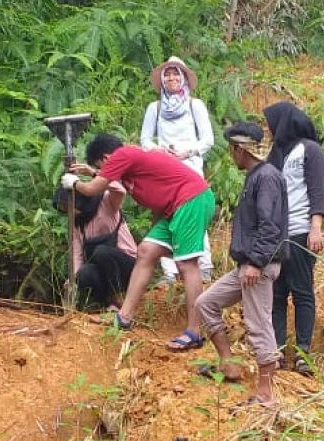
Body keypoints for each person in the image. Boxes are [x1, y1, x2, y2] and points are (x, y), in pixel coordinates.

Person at [62, 133, 216, 351]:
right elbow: (118, 181)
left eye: (101, 167)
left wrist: (76, 182)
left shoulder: (123, 154)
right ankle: (124, 317)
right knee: (146, 250)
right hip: (174, 209)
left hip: (191, 200)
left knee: (186, 265)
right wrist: (95, 172)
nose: (104, 171)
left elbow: (93, 188)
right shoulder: (130, 165)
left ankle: (194, 332)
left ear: (106, 158)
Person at [194, 122, 288, 407]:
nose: (231, 155)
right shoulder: (256, 175)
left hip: (257, 265)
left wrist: (256, 262)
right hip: (248, 264)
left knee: (258, 323)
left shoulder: (266, 178)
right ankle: (228, 363)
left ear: (239, 149)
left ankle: (266, 392)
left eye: (232, 149)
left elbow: (269, 226)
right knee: (205, 303)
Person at [263, 101, 324, 376]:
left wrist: (316, 227)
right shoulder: (275, 153)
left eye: (271, 123)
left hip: (301, 230)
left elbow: (316, 189)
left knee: (302, 292)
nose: (269, 129)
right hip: (277, 234)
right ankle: (277, 349)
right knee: (276, 295)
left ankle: (302, 352)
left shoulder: (309, 150)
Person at [140, 56, 216, 283]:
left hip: (190, 170)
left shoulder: (195, 106)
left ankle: (203, 265)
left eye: (175, 74)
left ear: (183, 78)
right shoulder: (155, 108)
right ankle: (169, 271)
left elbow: (207, 140)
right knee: (164, 215)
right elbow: (145, 140)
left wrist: (186, 152)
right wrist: (160, 151)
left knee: (194, 216)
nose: (171, 78)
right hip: (164, 171)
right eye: (167, 75)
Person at [54, 180, 138, 314]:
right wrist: (73, 277)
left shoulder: (106, 202)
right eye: (64, 209)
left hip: (129, 266)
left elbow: (120, 190)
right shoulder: (77, 225)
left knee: (101, 251)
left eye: (68, 206)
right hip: (105, 271)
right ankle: (108, 304)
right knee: (84, 273)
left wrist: (92, 178)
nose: (68, 212)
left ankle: (118, 297)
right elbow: (77, 253)